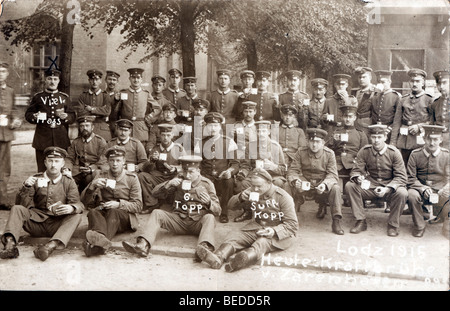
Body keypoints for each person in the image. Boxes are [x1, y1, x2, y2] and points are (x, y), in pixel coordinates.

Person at [196, 168, 298, 272]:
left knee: (262, 243)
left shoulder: (283, 197)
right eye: (253, 185)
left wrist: (274, 231)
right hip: (257, 226)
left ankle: (241, 260)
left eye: (259, 186)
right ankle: (218, 257)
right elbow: (230, 206)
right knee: (235, 236)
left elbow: (292, 225)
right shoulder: (252, 190)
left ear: (269, 183)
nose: (255, 189)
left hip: (279, 232)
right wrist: (240, 197)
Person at [121, 155, 221, 260]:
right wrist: (168, 184)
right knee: (157, 213)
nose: (187, 175)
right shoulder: (178, 180)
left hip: (197, 223)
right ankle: (143, 244)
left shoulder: (207, 184)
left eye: (191, 172)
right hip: (178, 221)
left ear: (198, 171)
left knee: (210, 217)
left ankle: (204, 249)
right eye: (185, 171)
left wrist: (210, 203)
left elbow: (218, 211)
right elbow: (154, 193)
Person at [0, 147, 84, 261]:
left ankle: (49, 247)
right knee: (16, 209)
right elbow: (23, 205)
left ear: (63, 163)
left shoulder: (68, 182)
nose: (53, 165)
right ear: (45, 162)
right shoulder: (35, 178)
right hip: (36, 224)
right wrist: (25, 187)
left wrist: (71, 208)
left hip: (57, 224)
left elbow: (78, 204)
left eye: (57, 161)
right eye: (50, 161)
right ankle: (10, 245)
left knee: (77, 216)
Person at [345, 124, 408, 236]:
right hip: (371, 186)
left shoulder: (394, 153)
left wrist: (388, 188)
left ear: (385, 137)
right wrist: (358, 177)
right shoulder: (364, 151)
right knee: (350, 186)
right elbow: (355, 170)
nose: (376, 140)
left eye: (379, 137)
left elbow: (401, 177)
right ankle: (360, 220)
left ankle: (393, 224)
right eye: (374, 137)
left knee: (402, 192)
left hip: (390, 186)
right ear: (370, 137)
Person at [80, 145, 143, 256]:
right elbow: (85, 202)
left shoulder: (132, 178)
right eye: (112, 160)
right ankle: (99, 247)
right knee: (93, 212)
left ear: (124, 161)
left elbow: (138, 205)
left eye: (118, 160)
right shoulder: (101, 175)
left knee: (113, 212)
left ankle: (96, 242)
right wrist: (92, 186)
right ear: (107, 161)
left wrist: (119, 204)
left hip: (124, 215)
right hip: (104, 210)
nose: (114, 164)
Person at [287, 128, 343, 235]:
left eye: (317, 142)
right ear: (308, 142)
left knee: (335, 188)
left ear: (323, 143)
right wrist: (296, 181)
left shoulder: (329, 154)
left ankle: (336, 221)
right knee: (287, 185)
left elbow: (332, 175)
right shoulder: (301, 152)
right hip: (305, 183)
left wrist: (325, 184)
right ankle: (288, 219)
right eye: (312, 141)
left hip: (321, 183)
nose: (314, 145)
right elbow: (293, 170)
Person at [234, 120, 287, 222]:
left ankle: (273, 211)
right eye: (259, 131)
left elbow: (283, 169)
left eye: (263, 131)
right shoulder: (251, 146)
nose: (261, 134)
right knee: (244, 183)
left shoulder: (275, 146)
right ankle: (248, 211)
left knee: (278, 182)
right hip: (256, 175)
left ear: (268, 132)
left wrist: (273, 166)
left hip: (273, 176)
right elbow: (246, 165)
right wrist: (243, 173)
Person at [25, 69, 76, 172]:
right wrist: (35, 116)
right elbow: (28, 114)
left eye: (55, 79)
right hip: (42, 139)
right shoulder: (38, 97)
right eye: (50, 79)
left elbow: (72, 116)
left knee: (60, 167)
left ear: (59, 81)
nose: (52, 82)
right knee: (42, 168)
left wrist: (66, 116)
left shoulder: (64, 97)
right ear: (45, 80)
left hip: (60, 138)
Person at [406, 125, 449, 238]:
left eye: (435, 139)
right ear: (424, 138)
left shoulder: (446, 155)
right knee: (411, 194)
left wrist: (445, 189)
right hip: (421, 188)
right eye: (429, 139)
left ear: (441, 140)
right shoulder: (415, 154)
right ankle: (419, 225)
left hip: (440, 189)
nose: (432, 143)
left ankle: (447, 226)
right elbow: (410, 178)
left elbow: (449, 178)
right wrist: (422, 188)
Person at [201, 112, 240, 223]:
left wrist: (229, 171)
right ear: (206, 127)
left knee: (229, 181)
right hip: (206, 176)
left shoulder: (228, 142)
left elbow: (235, 164)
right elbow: (198, 163)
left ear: (220, 127)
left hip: (221, 177)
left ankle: (224, 212)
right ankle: (206, 209)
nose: (213, 128)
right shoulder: (201, 143)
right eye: (210, 125)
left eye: (215, 125)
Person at [138, 124, 186, 213]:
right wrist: (152, 160)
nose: (165, 138)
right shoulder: (155, 149)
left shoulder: (178, 148)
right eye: (163, 135)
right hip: (158, 177)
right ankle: (152, 204)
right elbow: (146, 168)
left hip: (173, 177)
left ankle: (177, 206)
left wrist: (176, 169)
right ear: (159, 135)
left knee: (182, 181)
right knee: (142, 176)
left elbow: (186, 167)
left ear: (172, 135)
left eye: (168, 135)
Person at [390, 68, 433, 165]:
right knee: (404, 165)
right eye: (412, 81)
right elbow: (397, 122)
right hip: (404, 139)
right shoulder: (403, 99)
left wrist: (419, 126)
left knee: (419, 165)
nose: (414, 84)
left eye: (417, 81)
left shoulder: (429, 99)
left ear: (423, 83)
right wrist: (393, 143)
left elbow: (432, 120)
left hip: (420, 139)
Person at [327, 104, 368, 204]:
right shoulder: (337, 132)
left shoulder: (360, 133)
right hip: (338, 162)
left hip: (353, 163)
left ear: (355, 118)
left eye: (350, 117)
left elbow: (364, 152)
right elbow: (328, 149)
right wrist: (333, 141)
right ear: (342, 117)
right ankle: (326, 201)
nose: (348, 119)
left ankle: (352, 198)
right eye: (345, 116)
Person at [115, 67, 161, 144]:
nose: (136, 80)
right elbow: (116, 110)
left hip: (141, 129)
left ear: (141, 79)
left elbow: (158, 108)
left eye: (138, 78)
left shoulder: (146, 94)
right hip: (125, 128)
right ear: (129, 78)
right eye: (133, 77)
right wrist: (116, 101)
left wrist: (149, 118)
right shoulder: (123, 92)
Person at [65, 115, 107, 192]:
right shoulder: (76, 142)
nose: (84, 128)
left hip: (94, 171)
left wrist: (91, 168)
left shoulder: (100, 141)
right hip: (79, 170)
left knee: (89, 180)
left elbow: (103, 161)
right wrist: (67, 169)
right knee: (66, 180)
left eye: (87, 126)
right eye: (82, 126)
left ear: (92, 127)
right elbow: (69, 158)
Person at [0, 61, 22, 210]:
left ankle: (1, 199)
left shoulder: (10, 91)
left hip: (5, 132)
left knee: (4, 168)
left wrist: (15, 119)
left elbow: (14, 109)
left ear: (7, 74)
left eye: (2, 71)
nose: (0, 74)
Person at [76, 69, 112, 141]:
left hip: (101, 127)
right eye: (92, 80)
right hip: (86, 128)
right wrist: (100, 111)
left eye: (97, 79)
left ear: (100, 81)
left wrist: (91, 109)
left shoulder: (105, 96)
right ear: (89, 80)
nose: (94, 82)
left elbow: (107, 111)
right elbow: (80, 112)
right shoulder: (83, 96)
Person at [322, 74, 358, 141]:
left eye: (343, 84)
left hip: (347, 130)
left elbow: (354, 116)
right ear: (335, 85)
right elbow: (323, 119)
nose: (340, 86)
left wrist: (346, 99)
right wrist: (326, 117)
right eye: (338, 84)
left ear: (346, 85)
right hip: (332, 130)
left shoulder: (353, 100)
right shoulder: (329, 100)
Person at [369, 70, 401, 144]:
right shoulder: (375, 96)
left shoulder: (396, 96)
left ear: (389, 82)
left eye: (383, 82)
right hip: (376, 131)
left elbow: (398, 118)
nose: (381, 85)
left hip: (389, 131)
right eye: (379, 82)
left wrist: (390, 128)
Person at [353, 67, 375, 136]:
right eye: (360, 77)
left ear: (370, 77)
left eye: (364, 77)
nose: (361, 79)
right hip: (356, 123)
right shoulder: (357, 92)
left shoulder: (375, 91)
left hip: (368, 124)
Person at [431, 70, 449, 149]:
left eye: (444, 83)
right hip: (438, 142)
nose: (441, 86)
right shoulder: (435, 103)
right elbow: (432, 123)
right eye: (439, 83)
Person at [104, 70, 121, 137]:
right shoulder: (101, 94)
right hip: (103, 124)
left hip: (116, 125)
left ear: (117, 82)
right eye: (109, 79)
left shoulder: (120, 96)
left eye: (114, 80)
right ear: (105, 80)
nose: (112, 82)